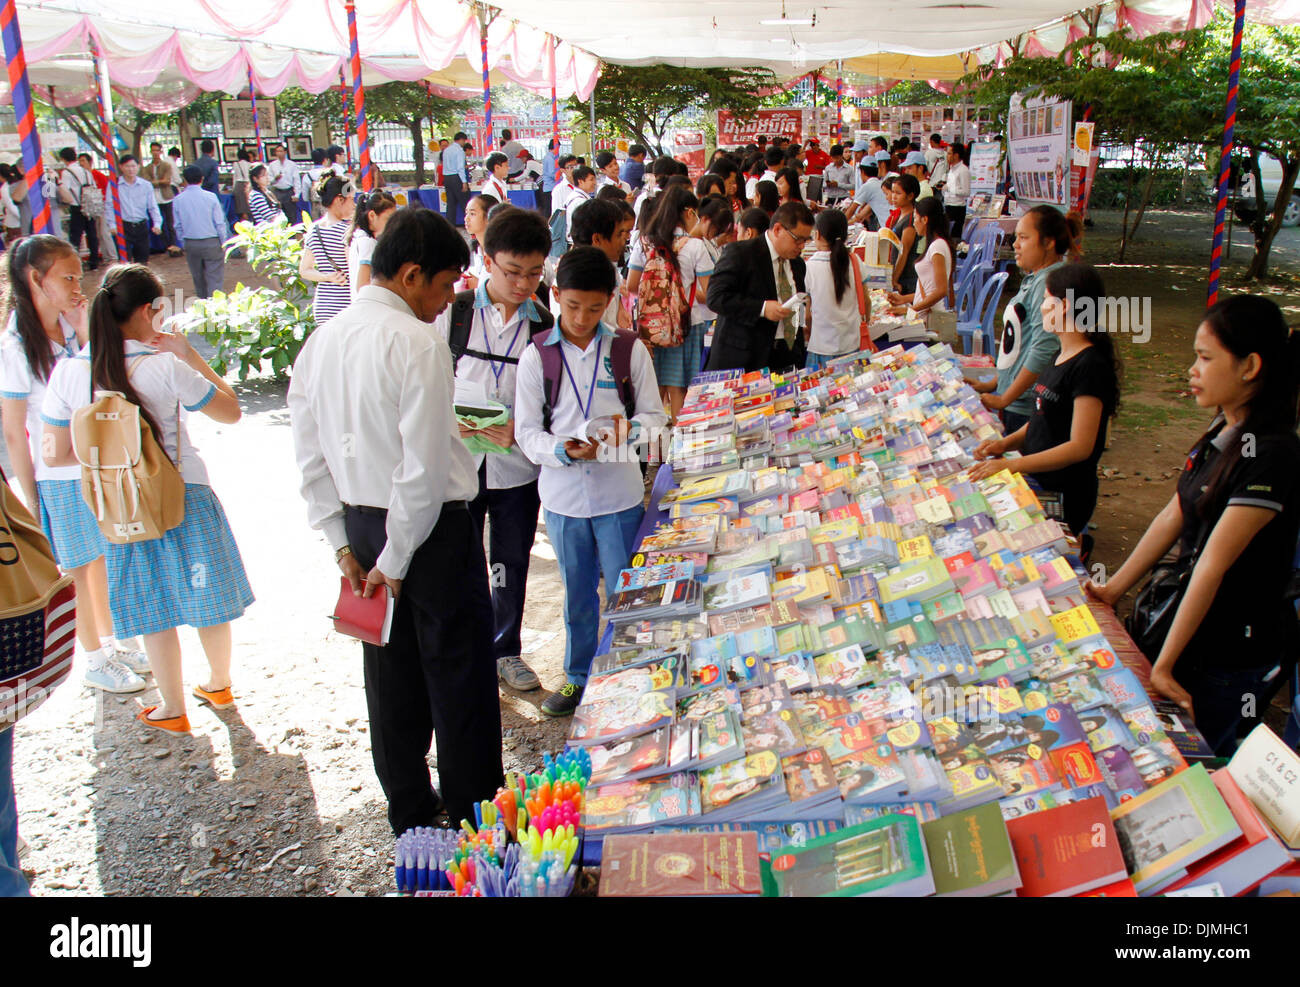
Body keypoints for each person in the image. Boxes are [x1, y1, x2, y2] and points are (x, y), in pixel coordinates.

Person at [288, 207, 503, 833]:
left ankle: (409, 808)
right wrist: (397, 559)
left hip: (359, 528)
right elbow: (423, 471)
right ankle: (475, 814)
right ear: (412, 275)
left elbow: (309, 458)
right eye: (443, 286)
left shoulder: (321, 340)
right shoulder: (416, 344)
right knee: (457, 671)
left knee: (390, 675)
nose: (444, 304)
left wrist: (342, 546)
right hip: (428, 534)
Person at [1084, 295, 1300, 756]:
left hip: (1229, 655)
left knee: (1194, 760)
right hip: (1191, 633)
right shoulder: (1225, 431)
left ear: (1249, 366)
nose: (1192, 370)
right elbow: (1175, 512)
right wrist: (1112, 589)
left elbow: (1212, 565)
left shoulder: (1272, 454)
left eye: (1205, 358)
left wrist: (1164, 666)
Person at [42, 263, 252, 733]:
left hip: (119, 506)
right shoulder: (164, 364)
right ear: (145, 310)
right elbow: (232, 412)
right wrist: (190, 355)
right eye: (158, 310)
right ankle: (218, 684)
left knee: (152, 603)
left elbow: (54, 455)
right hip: (183, 493)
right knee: (205, 594)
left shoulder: (70, 372)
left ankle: (172, 707)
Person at [515, 247, 667, 716]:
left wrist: (627, 433)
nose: (582, 317)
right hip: (563, 500)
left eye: (595, 307)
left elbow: (654, 415)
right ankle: (578, 675)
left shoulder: (627, 348)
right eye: (573, 305)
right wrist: (561, 449)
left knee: (627, 588)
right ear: (556, 294)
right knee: (577, 592)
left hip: (618, 494)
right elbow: (526, 432)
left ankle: (628, 668)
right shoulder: (536, 355)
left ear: (611, 301)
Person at [1, 234, 151, 694]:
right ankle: (93, 657)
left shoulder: (69, 328)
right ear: (35, 279)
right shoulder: (15, 345)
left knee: (102, 558)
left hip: (93, 464)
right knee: (78, 567)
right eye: (66, 277)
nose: (76, 285)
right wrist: (30, 494)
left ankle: (110, 641)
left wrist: (81, 326)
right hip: (56, 476)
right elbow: (13, 431)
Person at [434, 209, 555, 694]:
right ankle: (464, 651)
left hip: (516, 471)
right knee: (458, 561)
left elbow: (549, 402)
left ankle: (505, 650)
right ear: (487, 260)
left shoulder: (544, 326)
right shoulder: (454, 312)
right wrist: (488, 425)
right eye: (512, 272)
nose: (523, 284)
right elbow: (430, 387)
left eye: (533, 273)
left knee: (510, 561)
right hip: (458, 466)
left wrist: (522, 430)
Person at [971, 262, 1119, 542]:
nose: (1041, 308)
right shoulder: (1060, 354)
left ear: (1063, 306)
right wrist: (1004, 444)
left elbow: (1079, 446)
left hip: (1063, 493)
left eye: (1045, 300)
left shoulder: (1090, 366)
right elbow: (1043, 418)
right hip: (1038, 477)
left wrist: (1011, 465)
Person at [970, 205, 1078, 433]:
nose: (1015, 245)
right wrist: (992, 384)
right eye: (1016, 237)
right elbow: (1020, 346)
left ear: (1048, 242)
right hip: (1014, 402)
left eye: (1023, 238)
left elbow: (1043, 348)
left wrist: (1004, 399)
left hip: (1024, 408)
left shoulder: (1048, 282)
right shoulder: (1036, 278)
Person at [628, 186, 712, 419]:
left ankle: (652, 451)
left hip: (650, 328)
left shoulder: (644, 243)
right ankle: (679, 450)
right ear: (687, 212)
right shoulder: (695, 246)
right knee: (680, 390)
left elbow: (632, 286)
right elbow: (710, 292)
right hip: (686, 324)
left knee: (653, 391)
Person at [704, 201, 812, 374]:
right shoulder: (741, 253)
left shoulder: (798, 264)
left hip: (786, 355)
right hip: (745, 357)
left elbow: (795, 301)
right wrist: (762, 308)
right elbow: (716, 297)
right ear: (777, 230)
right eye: (798, 239)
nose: (802, 246)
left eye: (806, 240)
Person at [804, 209, 868, 370]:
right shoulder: (855, 261)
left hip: (821, 347)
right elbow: (866, 302)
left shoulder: (809, 267)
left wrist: (808, 331)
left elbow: (808, 314)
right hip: (852, 345)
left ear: (817, 235)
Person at [299, 175, 356, 324]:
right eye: (351, 199)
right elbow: (353, 269)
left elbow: (304, 270)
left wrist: (327, 277)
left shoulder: (313, 229)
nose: (354, 205)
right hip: (346, 305)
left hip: (322, 307)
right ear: (339, 199)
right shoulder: (347, 231)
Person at [568, 197, 631, 329]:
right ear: (597, 239)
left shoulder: (606, 268)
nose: (623, 241)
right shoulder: (575, 278)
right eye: (619, 235)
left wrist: (619, 307)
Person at [887, 197, 952, 324]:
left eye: (915, 218)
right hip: (924, 312)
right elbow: (929, 289)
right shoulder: (933, 245)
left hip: (930, 317)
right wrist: (903, 299)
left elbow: (941, 290)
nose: (914, 223)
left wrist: (910, 310)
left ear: (925, 219)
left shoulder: (937, 246)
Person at [172, 166, 228, 299]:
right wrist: (223, 241)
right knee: (214, 278)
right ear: (202, 179)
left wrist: (183, 242)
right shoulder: (211, 197)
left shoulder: (178, 199)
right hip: (212, 241)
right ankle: (215, 306)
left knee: (198, 278)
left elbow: (177, 225)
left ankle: (202, 306)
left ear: (184, 179)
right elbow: (219, 223)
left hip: (191, 242)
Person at [55, 147, 100, 271]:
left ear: (63, 159)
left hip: (76, 207)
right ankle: (94, 262)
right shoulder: (86, 171)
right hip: (89, 205)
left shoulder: (66, 172)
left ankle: (74, 263)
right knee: (92, 234)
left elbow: (65, 190)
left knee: (75, 236)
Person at [347, 189, 397, 296]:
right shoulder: (367, 243)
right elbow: (363, 286)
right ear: (372, 216)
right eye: (388, 219)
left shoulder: (358, 238)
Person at [115, 155, 162, 265]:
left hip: (141, 226)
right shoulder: (115, 185)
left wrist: (157, 223)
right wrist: (112, 225)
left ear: (138, 167)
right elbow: (109, 206)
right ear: (121, 167)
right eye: (127, 166)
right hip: (123, 226)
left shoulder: (145, 185)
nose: (131, 169)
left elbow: (152, 206)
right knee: (124, 262)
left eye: (133, 166)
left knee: (142, 261)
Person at [141, 142, 182, 257]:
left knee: (170, 223)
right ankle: (166, 246)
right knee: (160, 224)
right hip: (154, 198)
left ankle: (174, 246)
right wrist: (159, 181)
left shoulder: (166, 166)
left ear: (161, 151)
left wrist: (154, 182)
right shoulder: (147, 167)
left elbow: (167, 181)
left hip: (167, 197)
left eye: (157, 150)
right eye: (153, 150)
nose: (155, 153)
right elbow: (146, 182)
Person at [887, 173, 922, 296]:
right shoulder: (900, 214)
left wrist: (894, 280)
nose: (893, 197)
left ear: (910, 196)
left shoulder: (911, 220)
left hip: (907, 278)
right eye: (892, 192)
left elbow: (904, 251)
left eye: (898, 193)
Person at [441, 132, 471, 228]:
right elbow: (460, 168)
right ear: (461, 140)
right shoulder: (459, 151)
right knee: (464, 202)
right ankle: (470, 224)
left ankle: (449, 226)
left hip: (447, 177)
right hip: (456, 177)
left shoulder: (446, 150)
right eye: (464, 141)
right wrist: (464, 182)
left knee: (450, 204)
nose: (464, 143)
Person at [564, 165, 598, 245]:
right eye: (591, 179)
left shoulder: (574, 196)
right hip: (580, 243)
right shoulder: (579, 201)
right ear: (580, 181)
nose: (595, 182)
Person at [943, 142, 971, 235]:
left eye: (949, 153)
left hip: (957, 208)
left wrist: (950, 189)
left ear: (956, 155)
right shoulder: (951, 169)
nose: (947, 156)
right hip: (948, 205)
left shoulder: (963, 170)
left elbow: (966, 192)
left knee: (954, 236)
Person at [268, 143, 301, 220]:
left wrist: (297, 194)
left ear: (285, 152)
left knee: (291, 215)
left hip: (288, 191)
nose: (279, 153)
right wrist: (275, 179)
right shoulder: (272, 165)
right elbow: (269, 181)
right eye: (277, 151)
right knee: (278, 215)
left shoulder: (292, 164)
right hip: (277, 191)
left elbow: (296, 180)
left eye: (281, 151)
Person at [538, 139, 559, 217]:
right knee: (549, 209)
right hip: (550, 186)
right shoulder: (550, 158)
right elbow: (552, 173)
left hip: (549, 186)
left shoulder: (549, 157)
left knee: (548, 209)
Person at [231, 148, 252, 222]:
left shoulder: (235, 164)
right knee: (248, 207)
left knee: (241, 208)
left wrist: (233, 189)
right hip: (248, 185)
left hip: (238, 185)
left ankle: (243, 222)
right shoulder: (250, 164)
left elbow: (235, 177)